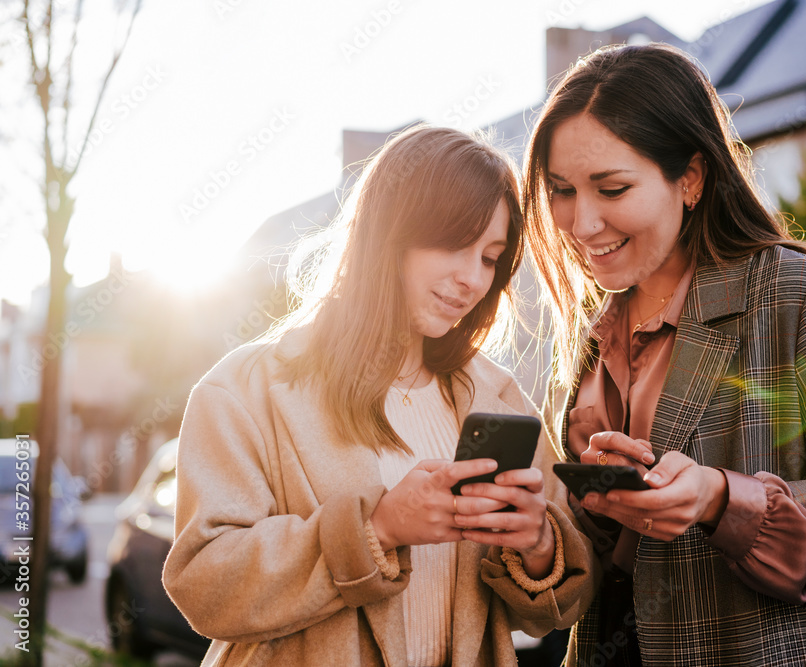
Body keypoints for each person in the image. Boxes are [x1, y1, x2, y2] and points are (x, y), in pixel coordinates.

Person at [521, 43, 806, 666]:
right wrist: (556, 526)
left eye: (613, 187)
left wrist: (720, 500)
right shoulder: (589, 332)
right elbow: (600, 551)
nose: (582, 222)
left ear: (691, 178)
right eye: (562, 190)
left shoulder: (801, 295)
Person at [163, 125, 598, 666]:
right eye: (456, 244)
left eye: (490, 257)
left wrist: (537, 547)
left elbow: (559, 610)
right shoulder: (244, 390)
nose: (472, 278)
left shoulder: (499, 397)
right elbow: (206, 586)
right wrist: (378, 527)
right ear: (388, 234)